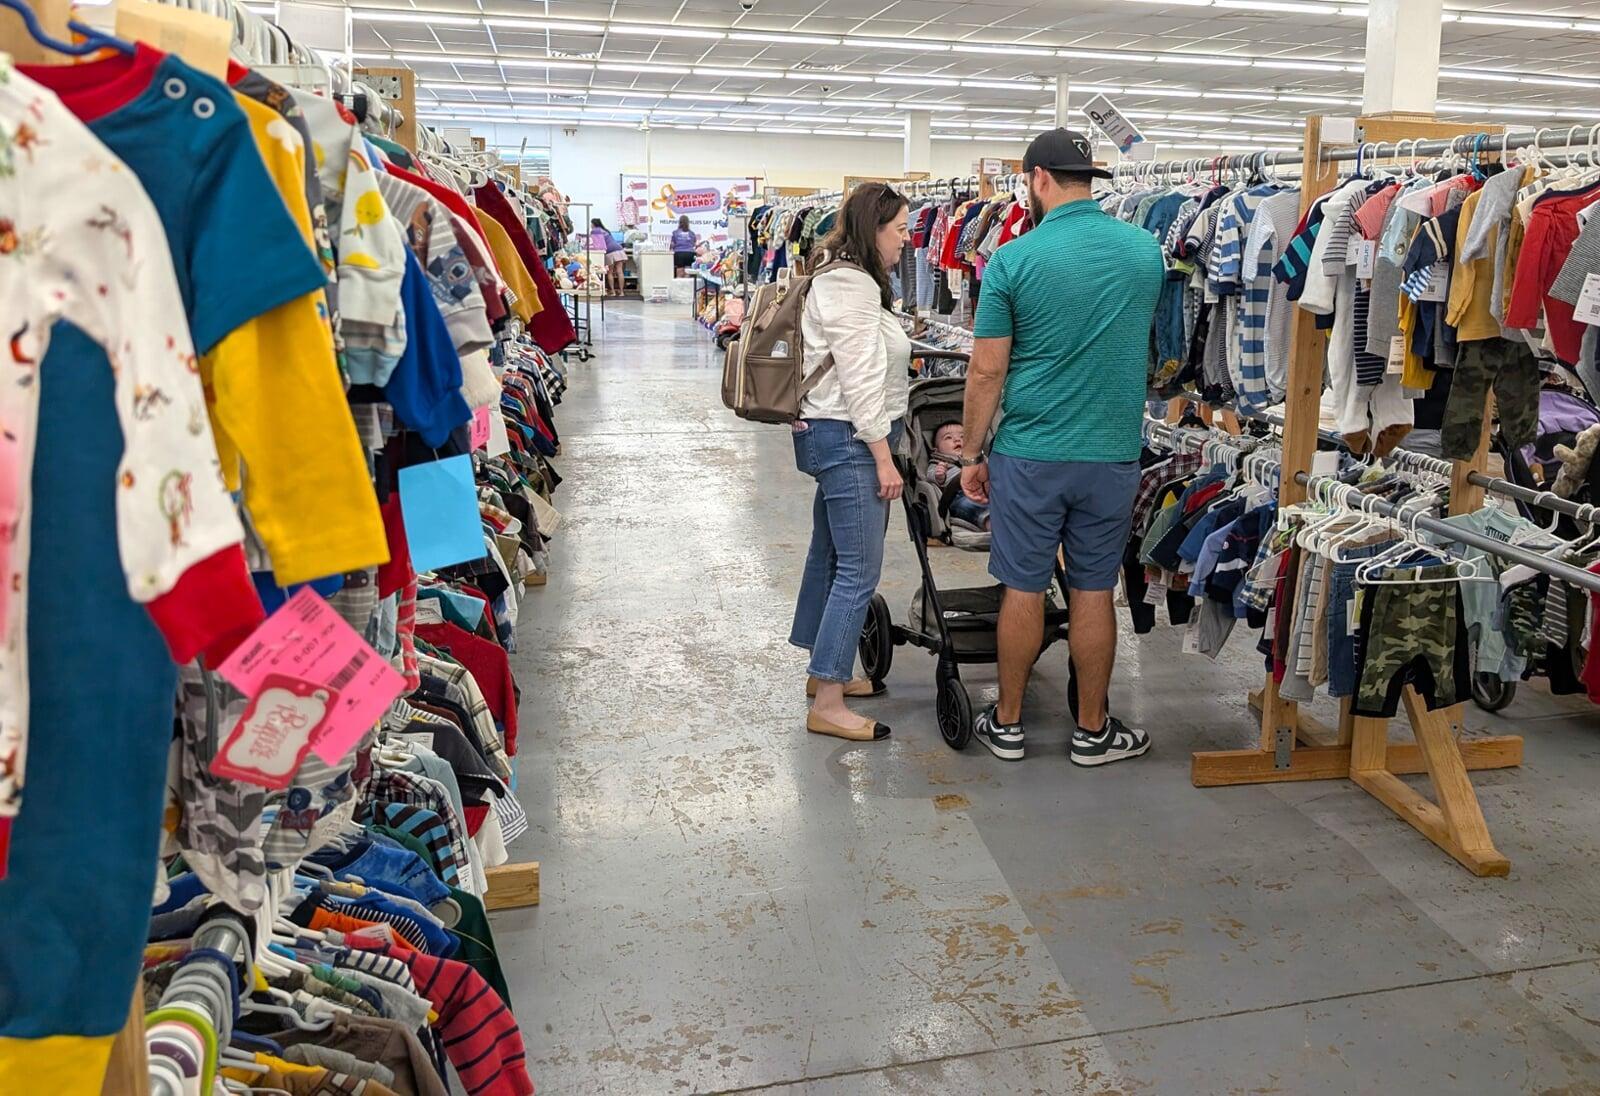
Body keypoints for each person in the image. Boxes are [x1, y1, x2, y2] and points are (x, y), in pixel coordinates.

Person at [957, 128, 1165, 766]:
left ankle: (1011, 724)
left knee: (1022, 588)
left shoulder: (1013, 262)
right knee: (1094, 589)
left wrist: (970, 454)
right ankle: (1093, 732)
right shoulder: (1145, 251)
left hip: (1031, 451)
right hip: (1111, 453)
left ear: (1037, 179)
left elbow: (987, 372)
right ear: (1089, 181)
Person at [790, 183, 912, 742]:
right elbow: (860, 380)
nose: (907, 242)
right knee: (858, 570)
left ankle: (824, 672)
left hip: (831, 433)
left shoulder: (838, 274)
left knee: (830, 554)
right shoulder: (852, 284)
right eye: (901, 230)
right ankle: (831, 698)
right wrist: (884, 457)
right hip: (850, 440)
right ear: (873, 228)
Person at [929, 422, 989, 531]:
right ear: (936, 450)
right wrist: (939, 477)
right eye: (948, 437)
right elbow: (930, 477)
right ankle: (991, 523)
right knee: (967, 505)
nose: (957, 440)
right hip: (958, 496)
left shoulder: (980, 458)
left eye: (963, 436)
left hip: (987, 492)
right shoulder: (938, 463)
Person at [590, 218, 625, 295]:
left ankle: (612, 291)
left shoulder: (595, 230)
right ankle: (622, 292)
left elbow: (595, 243)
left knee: (610, 272)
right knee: (620, 271)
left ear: (593, 224)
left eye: (591, 224)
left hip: (610, 251)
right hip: (619, 249)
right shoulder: (605, 230)